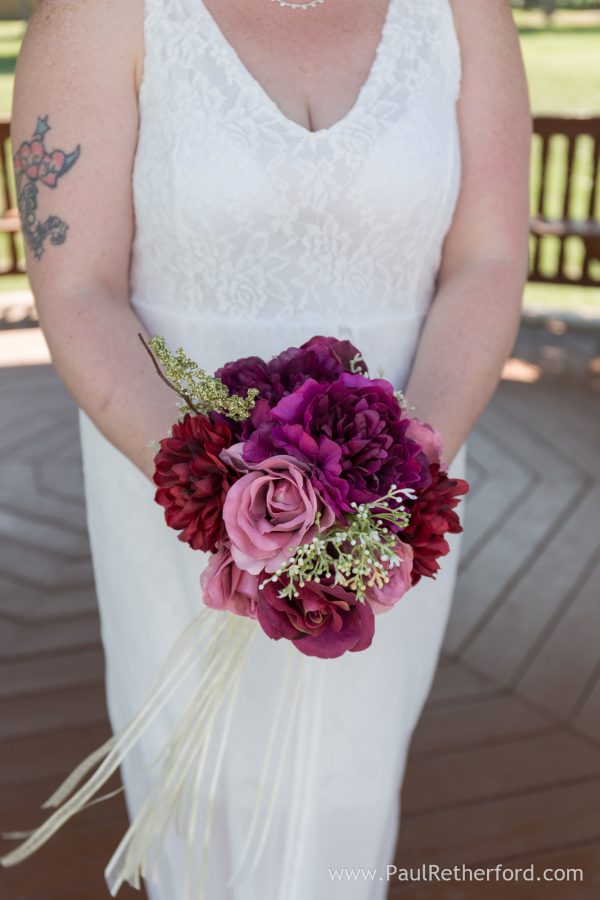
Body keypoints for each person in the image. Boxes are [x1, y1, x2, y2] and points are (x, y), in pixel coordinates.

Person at [8, 0, 531, 897]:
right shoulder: (101, 13)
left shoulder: (463, 11)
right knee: (202, 788)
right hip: (171, 487)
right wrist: (241, 504)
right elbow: (78, 287)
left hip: (394, 500)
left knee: (350, 788)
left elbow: (486, 258)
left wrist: (401, 477)